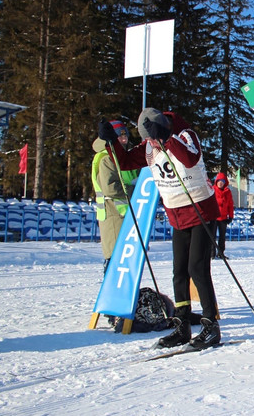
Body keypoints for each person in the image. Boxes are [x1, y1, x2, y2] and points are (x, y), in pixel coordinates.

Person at [98, 108, 222, 350]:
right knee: (178, 272)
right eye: (148, 139)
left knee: (197, 268)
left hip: (200, 210)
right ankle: (182, 324)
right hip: (177, 215)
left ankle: (210, 326)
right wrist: (111, 142)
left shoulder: (186, 135)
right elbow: (123, 163)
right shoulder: (148, 146)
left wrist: (166, 139)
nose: (150, 143)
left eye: (152, 137)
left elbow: (189, 159)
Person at [91, 120, 138, 273]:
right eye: (120, 136)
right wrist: (136, 192)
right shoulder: (107, 158)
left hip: (127, 215)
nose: (124, 140)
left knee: (127, 261)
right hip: (113, 215)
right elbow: (110, 188)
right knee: (115, 261)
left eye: (126, 136)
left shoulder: (124, 156)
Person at [212, 172, 234, 259]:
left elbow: (230, 204)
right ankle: (211, 253)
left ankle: (221, 253)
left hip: (223, 217)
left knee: (222, 237)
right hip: (214, 217)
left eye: (223, 181)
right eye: (219, 181)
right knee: (212, 236)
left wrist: (231, 216)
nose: (221, 183)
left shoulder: (227, 192)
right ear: (216, 181)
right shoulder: (212, 190)